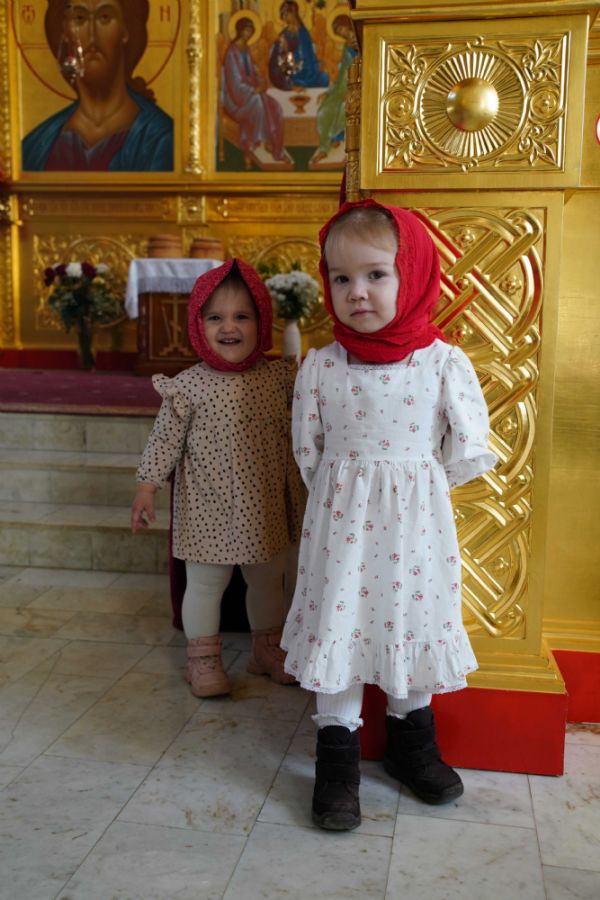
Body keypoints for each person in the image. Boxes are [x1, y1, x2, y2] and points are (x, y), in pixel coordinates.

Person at [281, 199, 497, 830]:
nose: (357, 292)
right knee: (340, 621)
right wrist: (350, 493)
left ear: (413, 275)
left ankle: (411, 745)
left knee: (410, 617)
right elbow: (308, 451)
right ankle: (337, 761)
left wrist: (412, 492)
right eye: (341, 278)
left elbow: (465, 450)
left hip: (417, 529)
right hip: (340, 529)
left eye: (376, 274)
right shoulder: (321, 366)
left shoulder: (441, 363)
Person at [132, 258, 305, 698]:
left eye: (242, 316)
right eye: (215, 318)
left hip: (263, 504)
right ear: (197, 325)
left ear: (261, 323)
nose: (229, 327)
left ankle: (266, 648)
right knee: (207, 584)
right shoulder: (188, 387)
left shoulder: (277, 379)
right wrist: (147, 486)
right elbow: (164, 440)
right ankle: (203, 661)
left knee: (268, 579)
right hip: (208, 506)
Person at [22, 0, 173, 172]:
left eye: (105, 17)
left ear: (125, 29)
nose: (92, 36)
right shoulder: (35, 147)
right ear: (65, 32)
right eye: (79, 19)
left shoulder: (160, 139)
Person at [221, 16, 293, 169]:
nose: (248, 34)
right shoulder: (231, 53)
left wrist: (261, 82)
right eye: (246, 30)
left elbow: (252, 73)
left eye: (250, 31)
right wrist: (253, 91)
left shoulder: (246, 49)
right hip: (235, 100)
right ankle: (257, 142)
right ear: (239, 30)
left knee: (276, 107)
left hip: (251, 93)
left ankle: (273, 145)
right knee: (258, 103)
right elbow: (234, 83)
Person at [310, 15, 357, 167]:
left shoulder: (363, 41)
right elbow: (342, 74)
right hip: (342, 88)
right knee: (323, 111)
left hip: (359, 87)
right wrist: (329, 92)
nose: (342, 33)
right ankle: (325, 147)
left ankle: (338, 137)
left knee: (345, 107)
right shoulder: (346, 47)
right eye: (338, 32)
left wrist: (354, 89)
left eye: (342, 29)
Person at [268, 1, 329, 90]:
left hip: (309, 73)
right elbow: (277, 60)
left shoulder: (304, 32)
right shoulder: (284, 36)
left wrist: (317, 64)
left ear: (294, 12)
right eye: (283, 15)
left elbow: (310, 56)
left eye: (286, 14)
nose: (285, 18)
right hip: (293, 74)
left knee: (325, 78)